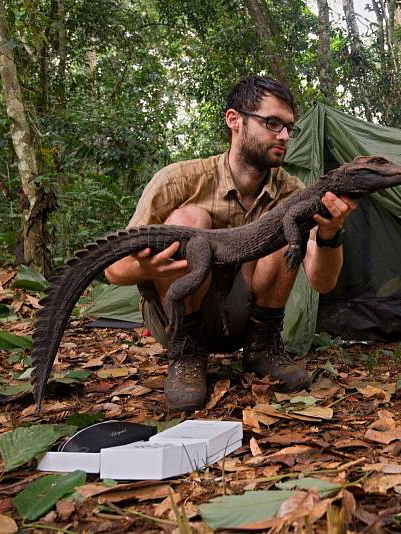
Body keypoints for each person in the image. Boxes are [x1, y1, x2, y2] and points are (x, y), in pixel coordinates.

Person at [105, 76, 356, 411]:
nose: (282, 136)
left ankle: (263, 346)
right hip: (177, 316)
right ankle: (187, 354)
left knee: (285, 221)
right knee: (188, 223)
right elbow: (112, 271)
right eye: (271, 123)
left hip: (247, 316)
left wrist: (330, 233)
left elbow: (321, 282)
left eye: (288, 128)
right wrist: (145, 266)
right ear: (234, 120)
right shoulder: (178, 181)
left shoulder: (292, 192)